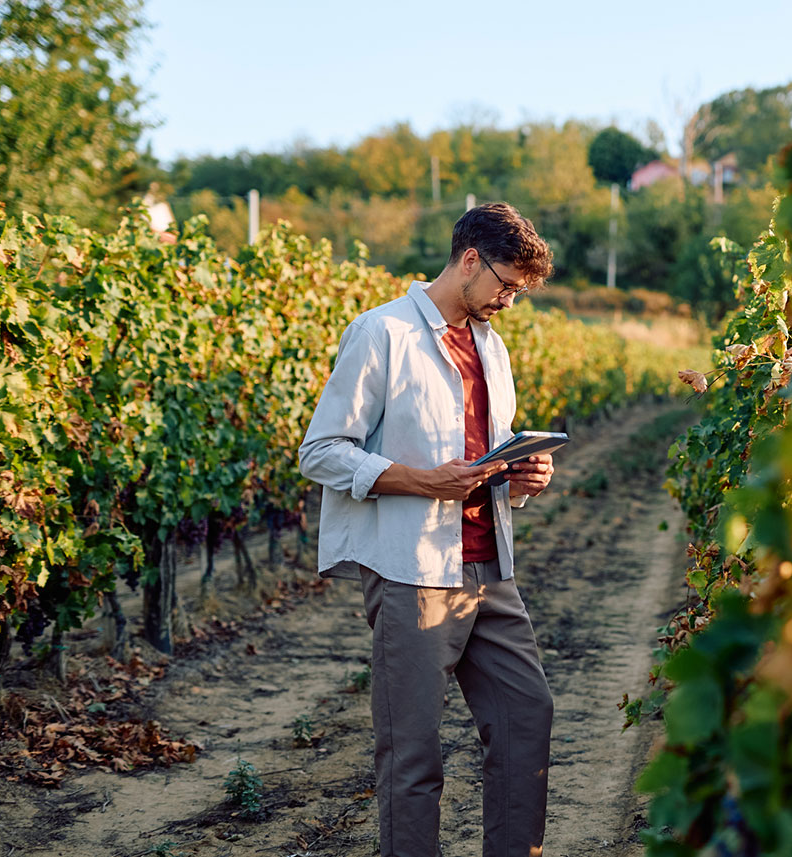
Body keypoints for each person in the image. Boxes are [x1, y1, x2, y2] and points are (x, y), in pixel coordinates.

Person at [298, 203, 556, 857]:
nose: (509, 300)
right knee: (412, 755)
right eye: (505, 284)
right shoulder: (381, 333)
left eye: (519, 292)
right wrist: (421, 481)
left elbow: (481, 456)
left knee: (527, 715)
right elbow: (321, 451)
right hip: (412, 572)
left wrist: (520, 476)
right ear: (470, 259)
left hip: (488, 570)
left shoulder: (491, 348)